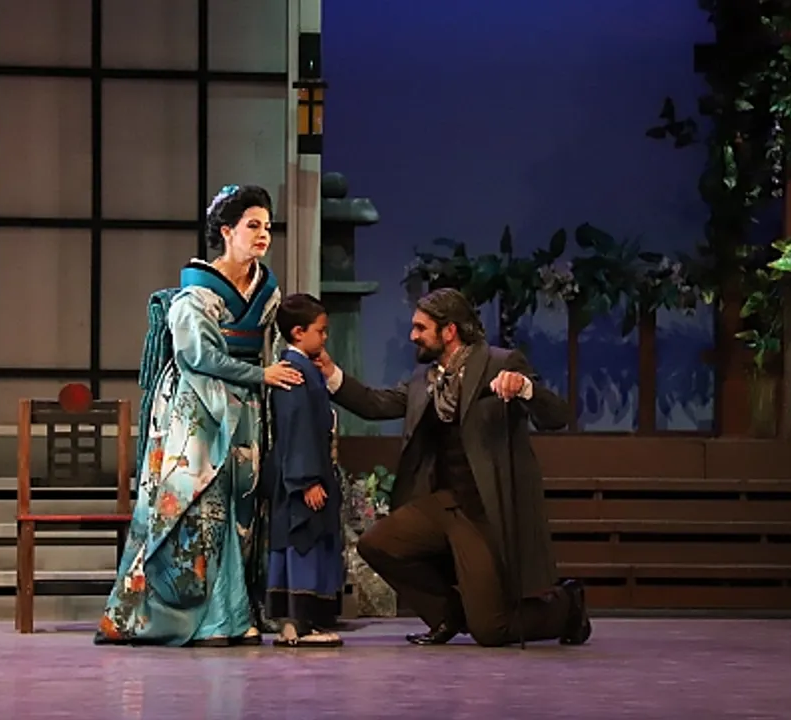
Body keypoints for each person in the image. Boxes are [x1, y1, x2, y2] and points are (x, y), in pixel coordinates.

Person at [313, 288, 592, 647]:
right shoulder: (426, 380)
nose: (413, 336)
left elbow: (557, 415)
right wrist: (330, 372)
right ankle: (448, 615)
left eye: (421, 328)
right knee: (377, 544)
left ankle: (567, 606)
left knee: (491, 631)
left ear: (449, 331)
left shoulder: (499, 362)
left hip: (484, 511)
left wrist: (524, 388)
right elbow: (375, 403)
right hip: (444, 503)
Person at [95, 184, 303, 647]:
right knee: (198, 508)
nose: (263, 235)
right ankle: (197, 618)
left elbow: (270, 346)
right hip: (197, 405)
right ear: (227, 232)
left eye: (267, 227)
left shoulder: (266, 290)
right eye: (253, 225)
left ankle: (235, 614)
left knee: (239, 505)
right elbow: (198, 357)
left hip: (247, 404)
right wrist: (260, 375)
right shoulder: (197, 293)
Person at [265, 293, 346, 648]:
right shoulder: (293, 373)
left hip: (307, 468)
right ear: (298, 332)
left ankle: (297, 624)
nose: (324, 337)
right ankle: (298, 624)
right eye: (320, 331)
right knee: (302, 540)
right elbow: (296, 429)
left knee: (305, 540)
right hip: (300, 474)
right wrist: (306, 479)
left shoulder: (305, 369)